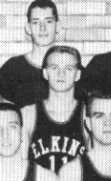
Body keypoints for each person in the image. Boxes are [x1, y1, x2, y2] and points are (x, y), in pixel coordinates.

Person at [22, 45, 86, 173]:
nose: (61, 74)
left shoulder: (87, 114)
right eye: (54, 68)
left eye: (68, 68)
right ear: (45, 73)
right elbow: (20, 165)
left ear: (77, 75)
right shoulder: (28, 114)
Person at [0, 0, 58, 107]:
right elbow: (5, 116)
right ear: (28, 28)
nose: (42, 28)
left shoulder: (71, 68)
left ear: (58, 26)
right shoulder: (12, 68)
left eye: (48, 21)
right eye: (36, 22)